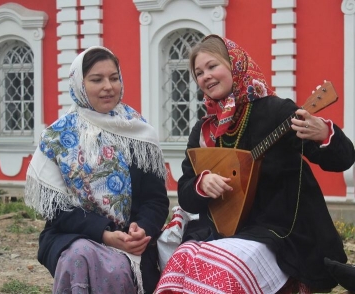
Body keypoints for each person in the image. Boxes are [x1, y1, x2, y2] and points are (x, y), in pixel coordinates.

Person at [155, 35, 355, 293]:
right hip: (222, 230)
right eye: (198, 72)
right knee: (180, 262)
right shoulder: (204, 130)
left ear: (235, 64)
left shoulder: (276, 111)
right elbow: (185, 195)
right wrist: (201, 184)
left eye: (212, 66)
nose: (206, 76)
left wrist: (325, 134)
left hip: (278, 231)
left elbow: (343, 159)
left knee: (223, 271)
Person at [24, 46, 169, 294]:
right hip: (72, 235)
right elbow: (57, 209)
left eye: (114, 78)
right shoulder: (58, 137)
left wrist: (142, 229)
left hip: (131, 241)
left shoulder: (140, 133)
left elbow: (156, 200)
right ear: (79, 84)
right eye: (96, 79)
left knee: (117, 265)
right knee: (80, 256)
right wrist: (103, 234)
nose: (108, 86)